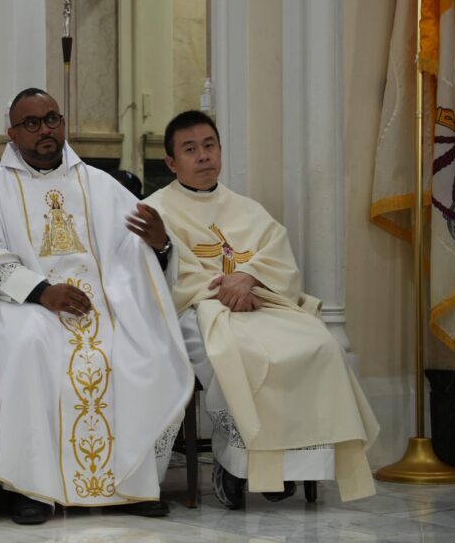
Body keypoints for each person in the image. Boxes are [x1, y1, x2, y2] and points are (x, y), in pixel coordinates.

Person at [0, 88, 193, 525]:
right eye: (32, 123)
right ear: (12, 133)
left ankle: (130, 483)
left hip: (100, 302)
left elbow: (135, 255)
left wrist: (160, 244)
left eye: (52, 118)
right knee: (30, 343)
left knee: (131, 345)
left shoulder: (98, 184)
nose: (45, 130)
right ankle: (33, 488)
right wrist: (41, 291)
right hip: (26, 303)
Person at [145, 110, 379, 507]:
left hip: (262, 305)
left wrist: (250, 278)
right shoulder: (157, 211)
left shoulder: (248, 209)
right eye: (190, 149)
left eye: (210, 146)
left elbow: (280, 261)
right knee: (242, 354)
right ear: (171, 162)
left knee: (321, 346)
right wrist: (226, 290)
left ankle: (289, 465)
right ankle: (236, 464)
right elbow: (161, 275)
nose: (203, 156)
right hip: (198, 311)